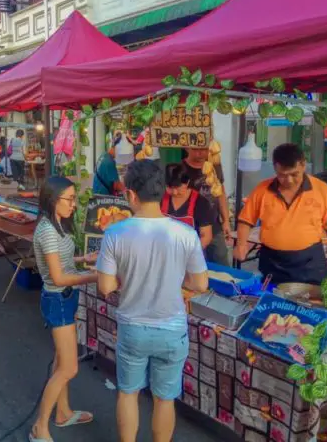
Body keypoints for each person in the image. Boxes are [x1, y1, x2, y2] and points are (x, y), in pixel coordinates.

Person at [96, 159, 209, 442]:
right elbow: (199, 284)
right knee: (164, 399)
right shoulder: (185, 234)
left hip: (133, 328)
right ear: (162, 192)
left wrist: (126, 275)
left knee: (128, 392)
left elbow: (106, 287)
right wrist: (174, 279)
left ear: (131, 194)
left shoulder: (114, 234)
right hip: (172, 329)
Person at [29, 176, 97, 442]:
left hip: (66, 298)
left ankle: (63, 412)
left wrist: (83, 259)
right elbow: (57, 277)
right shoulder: (46, 230)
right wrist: (92, 276)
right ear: (52, 199)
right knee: (69, 368)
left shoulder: (57, 225)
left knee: (61, 361)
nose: (73, 205)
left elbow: (61, 260)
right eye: (69, 199)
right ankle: (39, 426)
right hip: (58, 298)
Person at [235, 143, 327, 285]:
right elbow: (245, 220)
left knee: (310, 304)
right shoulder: (262, 190)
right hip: (272, 261)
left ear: (303, 165)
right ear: (275, 168)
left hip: (309, 263)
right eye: (282, 175)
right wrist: (241, 245)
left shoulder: (322, 190)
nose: (289, 180)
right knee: (272, 302)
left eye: (294, 174)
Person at [182, 148, 230, 265]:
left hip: (215, 226)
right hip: (191, 228)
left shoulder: (214, 166)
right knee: (195, 264)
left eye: (204, 149)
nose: (201, 152)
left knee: (221, 262)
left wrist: (226, 220)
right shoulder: (181, 169)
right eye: (196, 149)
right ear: (187, 147)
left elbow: (221, 193)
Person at [162, 163, 214, 249]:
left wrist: (191, 254)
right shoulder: (160, 198)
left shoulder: (201, 202)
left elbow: (206, 237)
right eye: (170, 187)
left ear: (187, 182)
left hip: (191, 251)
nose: (174, 192)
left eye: (178, 187)